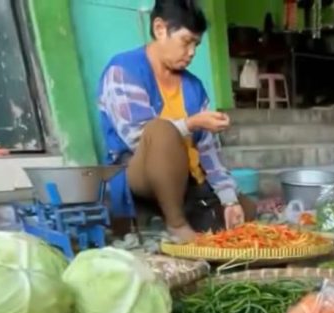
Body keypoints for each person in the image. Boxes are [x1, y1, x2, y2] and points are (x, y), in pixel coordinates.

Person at [97, 0, 254, 242]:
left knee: (246, 210)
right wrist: (192, 123)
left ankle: (195, 215)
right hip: (140, 177)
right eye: (186, 42)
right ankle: (177, 224)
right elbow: (138, 138)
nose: (192, 52)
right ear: (160, 29)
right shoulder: (123, 70)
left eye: (196, 44)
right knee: (160, 131)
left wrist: (229, 199)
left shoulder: (193, 86)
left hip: (188, 182)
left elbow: (209, 151)